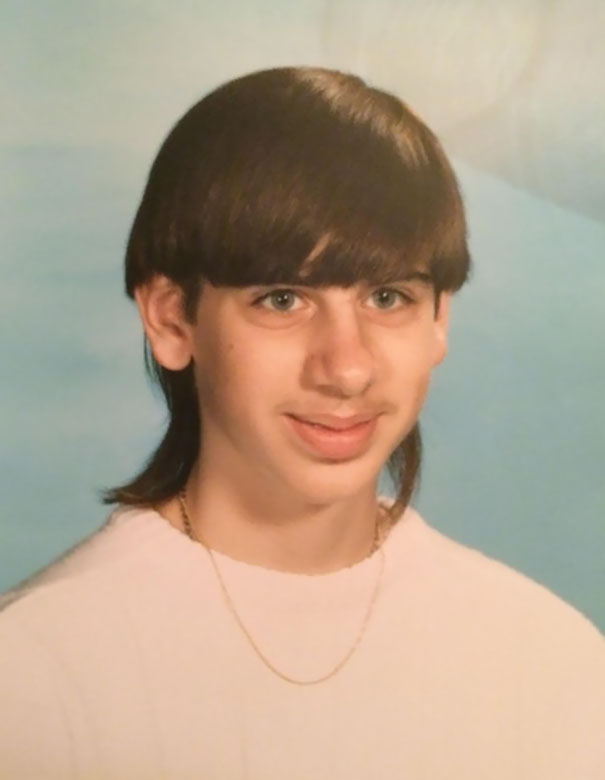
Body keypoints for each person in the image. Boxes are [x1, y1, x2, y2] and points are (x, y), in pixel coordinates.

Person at [0, 67, 602, 779]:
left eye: (388, 297)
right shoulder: (37, 670)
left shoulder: (548, 661)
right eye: (283, 300)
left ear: (440, 318)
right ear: (171, 319)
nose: (346, 369)